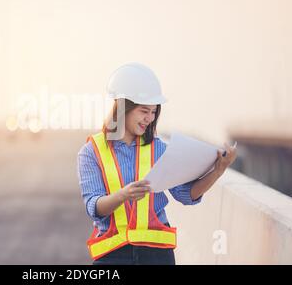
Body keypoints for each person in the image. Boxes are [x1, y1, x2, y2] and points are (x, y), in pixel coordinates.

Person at [77, 62, 237, 265]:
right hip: (113, 255)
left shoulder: (159, 149)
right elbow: (94, 206)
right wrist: (123, 195)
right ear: (124, 107)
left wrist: (218, 171)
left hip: (157, 255)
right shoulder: (91, 152)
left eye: (154, 112)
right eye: (144, 111)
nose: (149, 119)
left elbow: (186, 195)